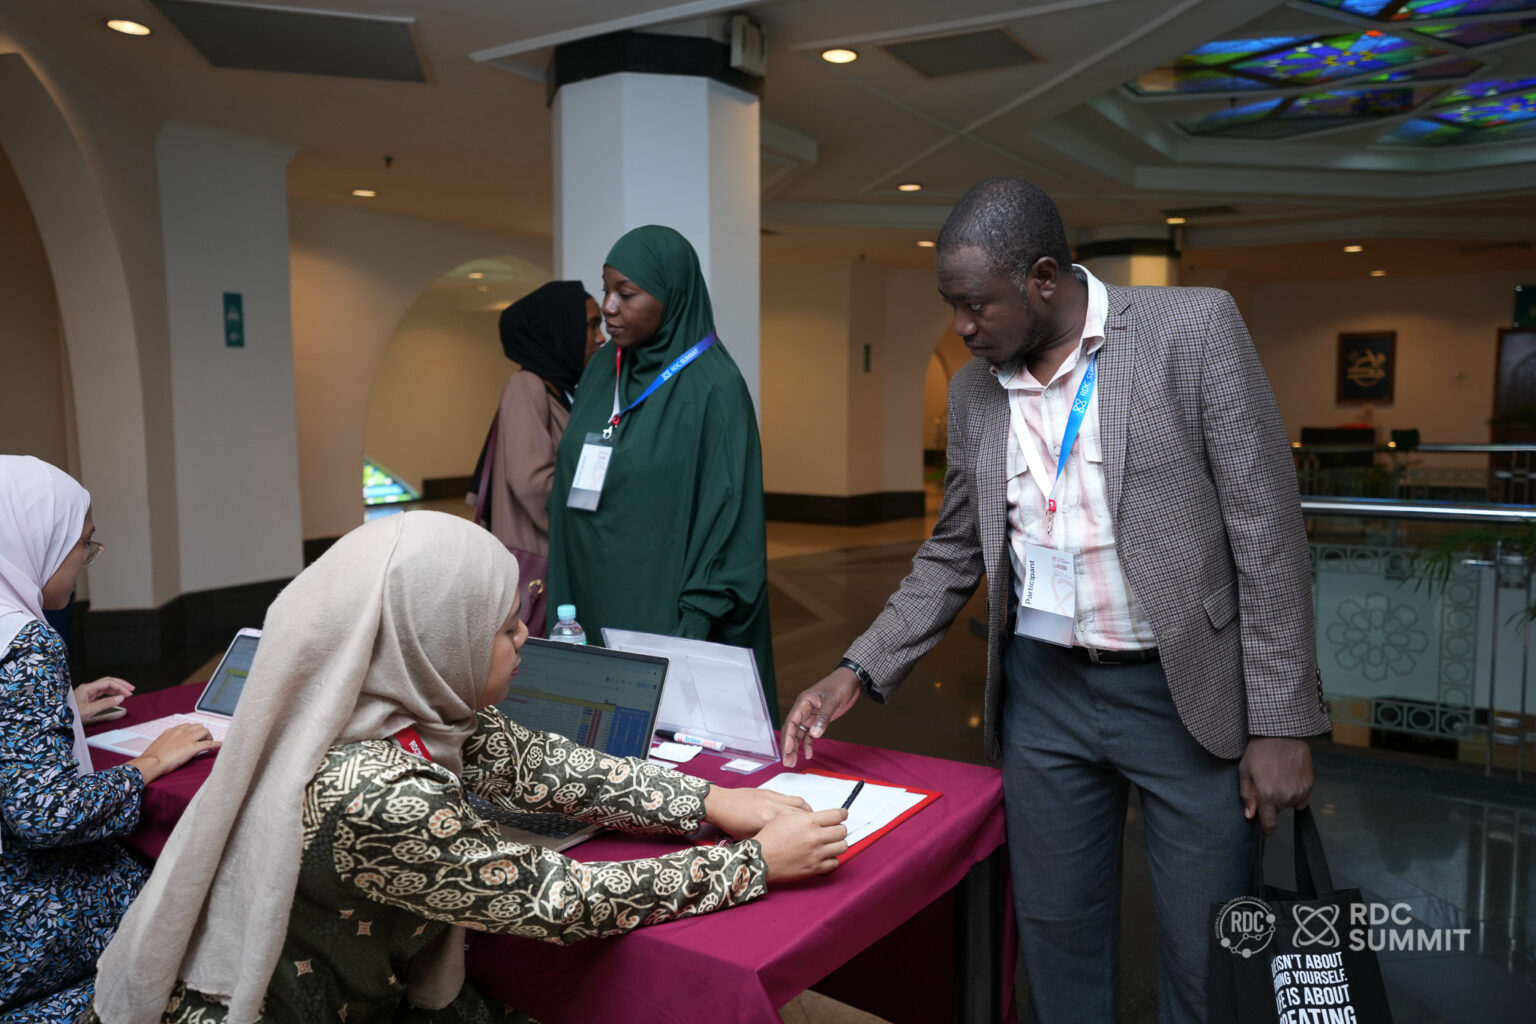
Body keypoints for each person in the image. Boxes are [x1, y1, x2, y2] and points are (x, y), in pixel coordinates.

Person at [781, 177, 1332, 1024]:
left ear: (1044, 278)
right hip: (1044, 699)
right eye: (951, 305)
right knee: (1057, 945)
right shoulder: (975, 391)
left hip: (1183, 694)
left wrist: (1282, 722)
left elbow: (1267, 527)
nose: (961, 327)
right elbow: (954, 552)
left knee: (1205, 959)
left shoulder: (1192, 330)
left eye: (975, 305)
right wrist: (856, 668)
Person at [89, 511, 846, 1024]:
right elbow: (558, 900)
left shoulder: (367, 702)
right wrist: (752, 863)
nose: (524, 641)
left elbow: (542, 764)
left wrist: (708, 800)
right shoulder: (376, 791)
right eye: (504, 627)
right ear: (431, 637)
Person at [0, 455, 217, 1022]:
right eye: (82, 545)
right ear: (35, 541)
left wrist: (58, 709)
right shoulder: (26, 644)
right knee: (191, 894)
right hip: (18, 916)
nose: (86, 561)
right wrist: (151, 762)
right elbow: (44, 816)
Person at [545, 225, 777, 711]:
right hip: (584, 601)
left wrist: (690, 629)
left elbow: (731, 526)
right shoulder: (603, 368)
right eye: (606, 290)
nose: (609, 307)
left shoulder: (713, 388)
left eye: (626, 293)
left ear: (673, 296)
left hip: (663, 618)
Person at [471, 282, 603, 635]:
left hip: (553, 552)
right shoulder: (526, 386)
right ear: (562, 328)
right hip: (537, 559)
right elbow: (532, 482)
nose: (601, 337)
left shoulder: (561, 390)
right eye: (592, 325)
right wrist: (590, 519)